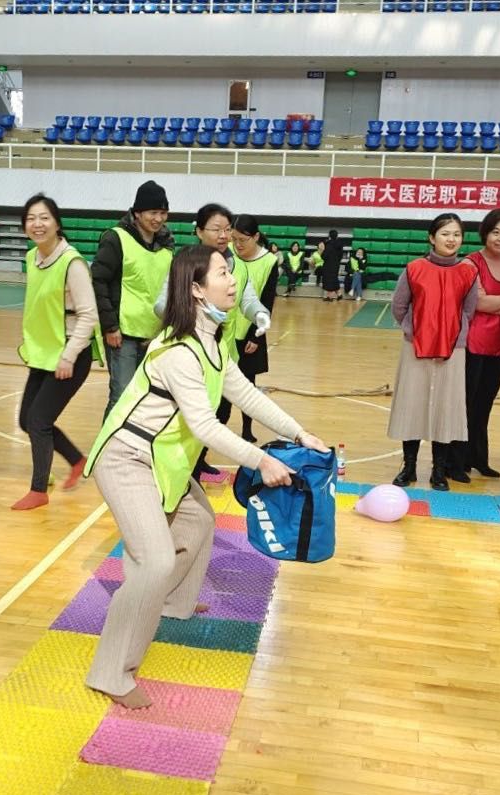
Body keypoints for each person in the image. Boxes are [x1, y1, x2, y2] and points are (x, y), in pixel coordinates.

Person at [82, 244, 327, 709]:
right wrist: (261, 461)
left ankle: (171, 603)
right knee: (154, 562)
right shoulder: (179, 351)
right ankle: (111, 672)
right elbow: (205, 426)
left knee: (198, 522)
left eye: (231, 273)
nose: (233, 280)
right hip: (127, 459)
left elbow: (247, 395)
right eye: (222, 273)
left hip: (162, 460)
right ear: (196, 289)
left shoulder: (210, 343)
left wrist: (299, 432)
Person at [152, 204, 270, 478]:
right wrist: (192, 310)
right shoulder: (185, 264)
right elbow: (161, 305)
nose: (223, 235)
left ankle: (198, 461)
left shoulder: (236, 265)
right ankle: (184, 471)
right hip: (191, 356)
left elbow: (248, 299)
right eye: (216, 229)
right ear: (199, 231)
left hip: (222, 356)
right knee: (192, 419)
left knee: (220, 414)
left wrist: (260, 315)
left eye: (227, 229)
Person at [13, 193, 100, 511]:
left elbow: (89, 315)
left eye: (44, 217)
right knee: (27, 419)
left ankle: (38, 490)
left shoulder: (71, 263)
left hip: (69, 356)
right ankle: (77, 460)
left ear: (57, 223)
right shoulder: (31, 257)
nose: (37, 224)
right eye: (31, 218)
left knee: (39, 420)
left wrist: (69, 356)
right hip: (43, 354)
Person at [387, 213, 479, 491]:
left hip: (452, 351)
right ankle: (409, 467)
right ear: (431, 237)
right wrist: (414, 331)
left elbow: (469, 310)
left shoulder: (468, 272)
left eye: (456, 234)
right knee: (412, 405)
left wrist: (454, 336)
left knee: (445, 408)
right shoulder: (414, 268)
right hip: (415, 348)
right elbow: (399, 306)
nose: (451, 239)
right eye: (445, 234)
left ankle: (438, 471)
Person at [92, 180, 174, 416]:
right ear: (137, 213)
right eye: (152, 212)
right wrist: (110, 326)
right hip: (123, 335)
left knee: (144, 398)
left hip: (154, 335)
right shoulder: (115, 238)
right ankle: (108, 441)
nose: (158, 219)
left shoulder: (167, 244)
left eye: (163, 213)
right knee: (121, 398)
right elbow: (97, 281)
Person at [460, 208, 500, 479]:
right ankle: (457, 461)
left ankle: (478, 458)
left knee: (485, 403)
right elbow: (477, 302)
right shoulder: (471, 263)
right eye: (496, 232)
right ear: (485, 232)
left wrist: (494, 302)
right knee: (465, 403)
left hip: (499, 344)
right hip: (472, 343)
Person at [226, 214, 279, 443]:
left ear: (256, 237)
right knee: (221, 384)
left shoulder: (269, 261)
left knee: (247, 385)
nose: (237, 245)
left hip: (251, 332)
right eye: (234, 239)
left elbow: (267, 300)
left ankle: (247, 429)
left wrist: (256, 336)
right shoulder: (227, 254)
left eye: (243, 240)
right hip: (225, 330)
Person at [320, 229, 345, 302]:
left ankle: (330, 297)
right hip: (336, 264)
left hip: (328, 265)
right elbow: (341, 255)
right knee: (333, 279)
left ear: (329, 236)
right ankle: (339, 294)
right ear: (337, 236)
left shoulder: (329, 244)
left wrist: (321, 252)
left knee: (329, 280)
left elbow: (324, 256)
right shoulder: (340, 244)